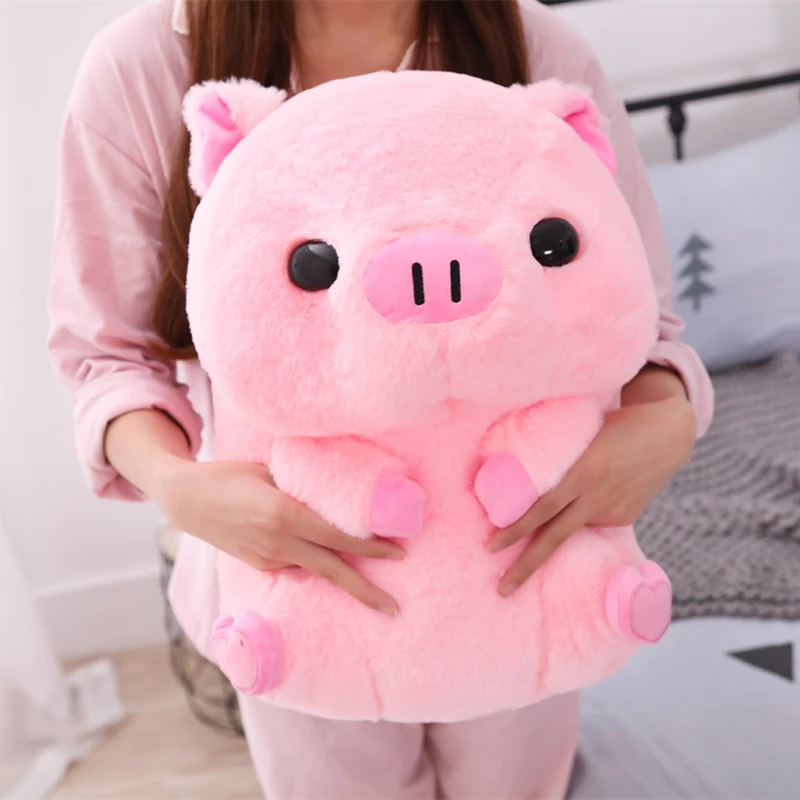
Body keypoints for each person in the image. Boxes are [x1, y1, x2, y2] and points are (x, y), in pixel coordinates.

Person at [48, 0, 714, 797]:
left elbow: (637, 322)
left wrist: (668, 419)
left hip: (521, 558)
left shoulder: (532, 42)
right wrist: (181, 488)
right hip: (301, 566)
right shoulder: (144, 67)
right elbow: (107, 355)